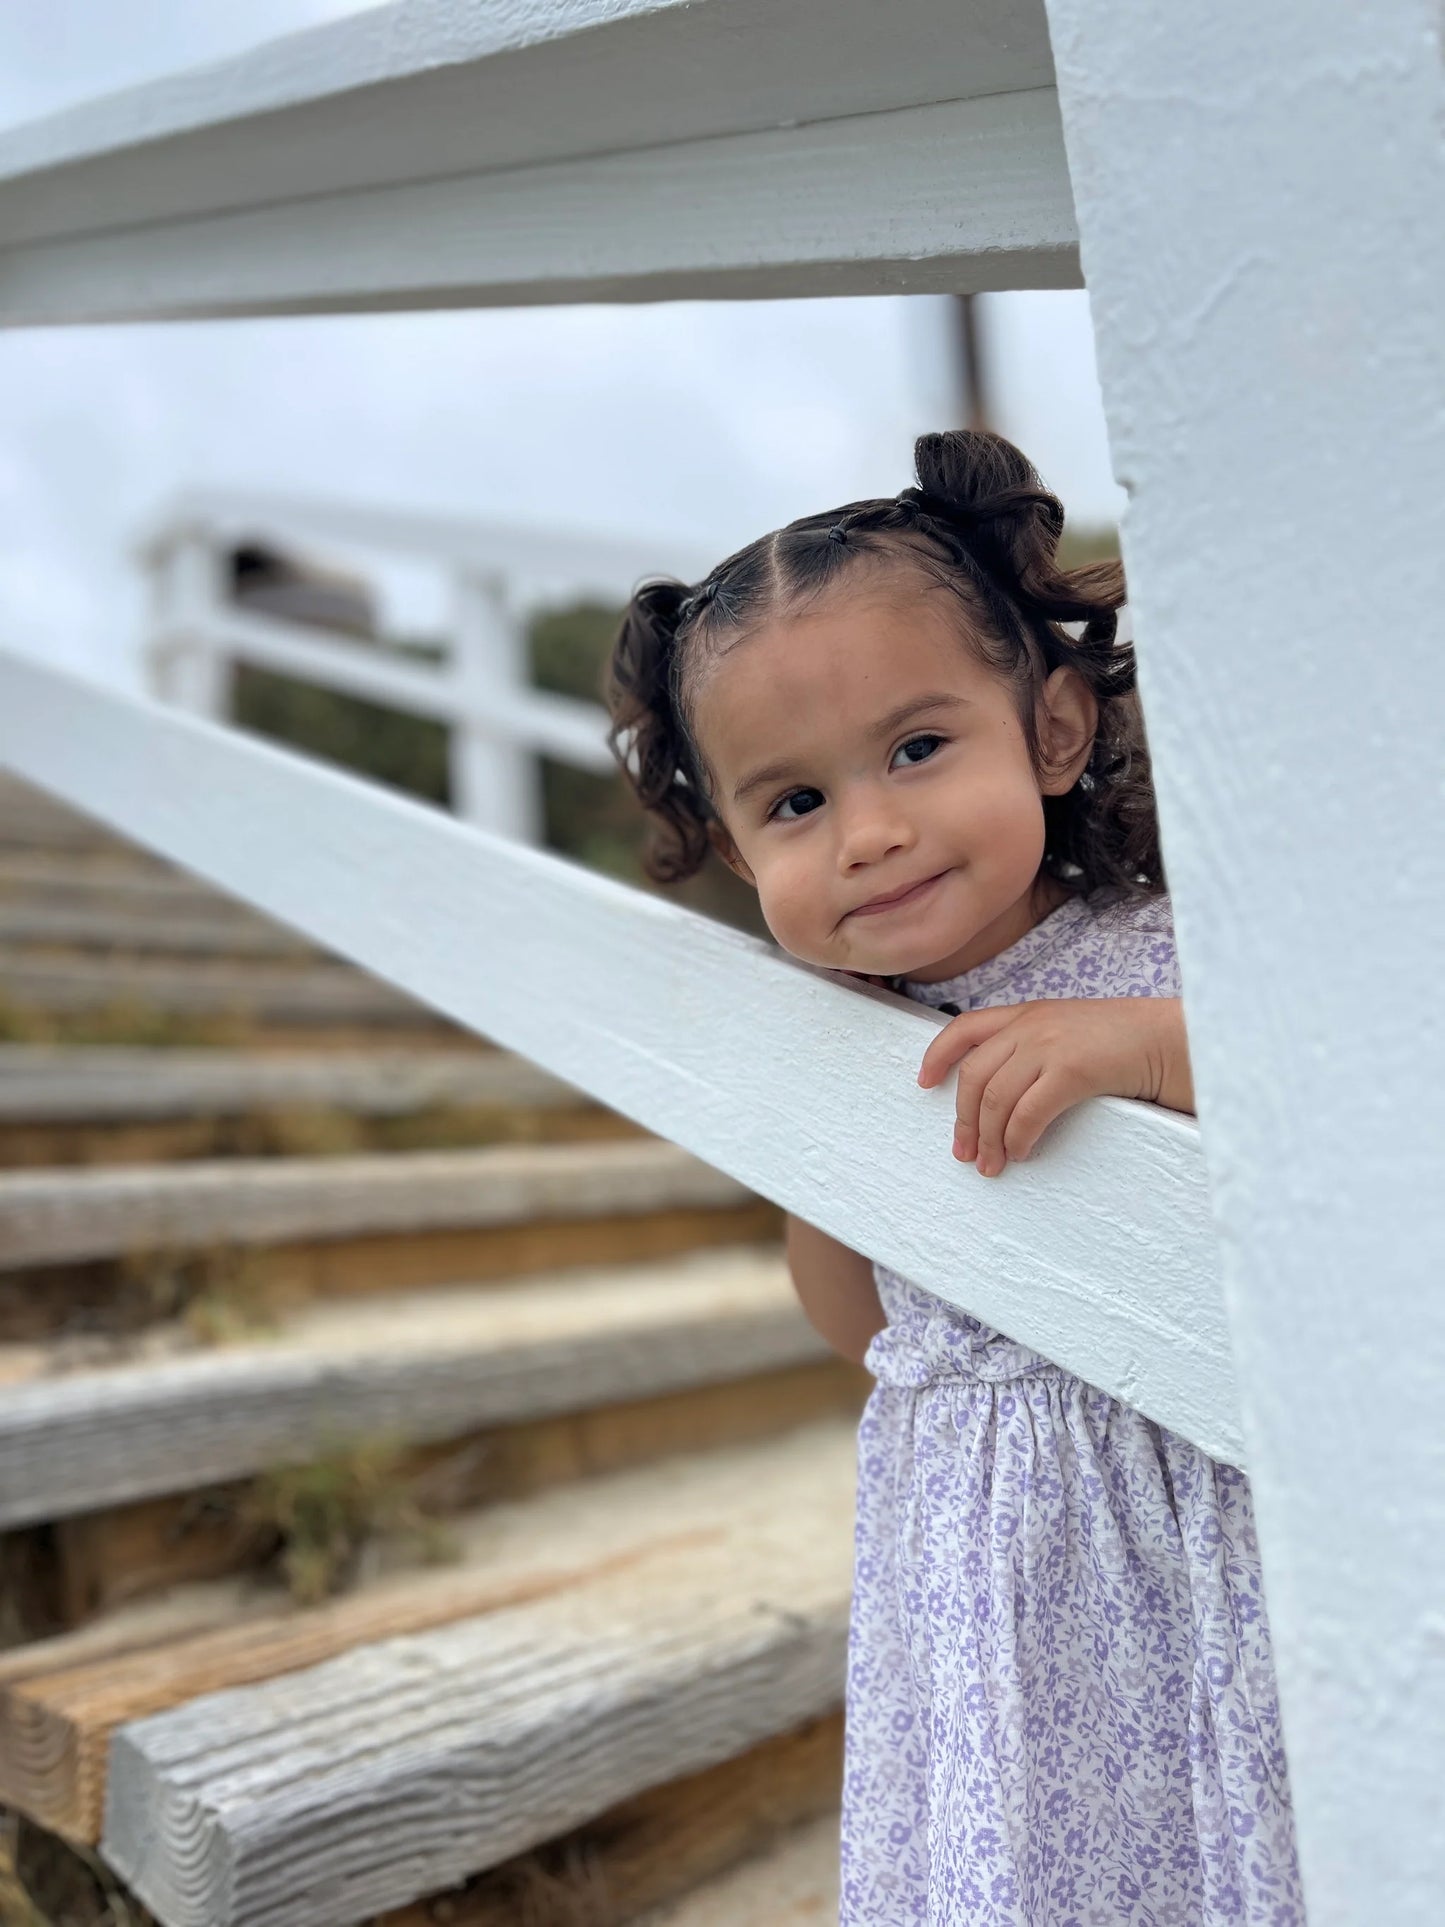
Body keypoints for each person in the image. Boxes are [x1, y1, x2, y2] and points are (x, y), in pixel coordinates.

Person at [606, 429, 1303, 1926]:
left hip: (1199, 1518)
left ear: (1051, 730)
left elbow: (1333, 1107)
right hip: (980, 1548)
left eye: (918, 750)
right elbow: (858, 1327)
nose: (868, 832)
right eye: (792, 805)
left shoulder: (1170, 955)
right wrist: (834, 1162)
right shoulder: (853, 1044)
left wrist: (1151, 1051)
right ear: (733, 848)